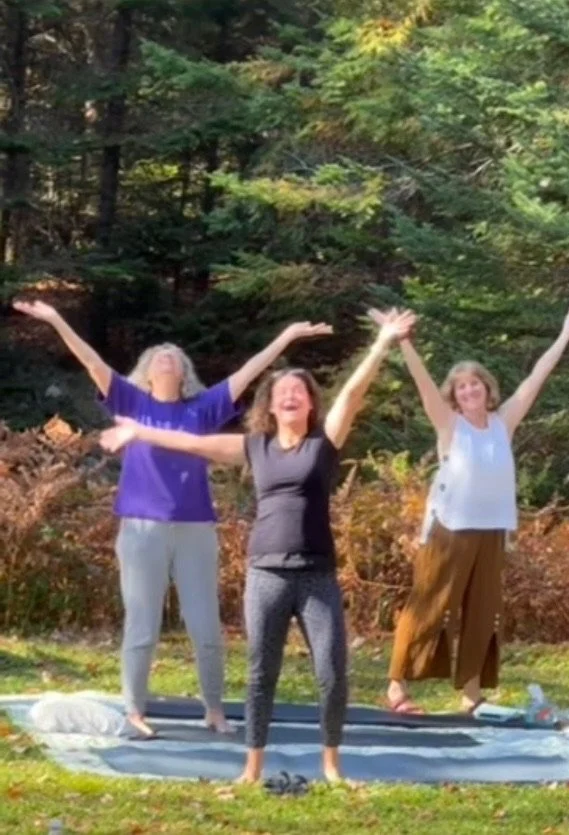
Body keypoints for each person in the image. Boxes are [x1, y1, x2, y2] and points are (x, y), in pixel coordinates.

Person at [98, 309, 417, 783]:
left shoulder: (323, 444)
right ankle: (252, 767)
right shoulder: (254, 447)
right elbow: (190, 443)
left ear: (310, 404)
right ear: (269, 405)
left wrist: (382, 342)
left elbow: (352, 395)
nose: (290, 396)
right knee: (260, 673)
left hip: (316, 573)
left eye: (299, 391)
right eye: (282, 391)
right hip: (265, 570)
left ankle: (331, 764)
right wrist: (138, 431)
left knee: (332, 671)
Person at [14, 299, 332, 739]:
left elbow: (250, 372)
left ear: (183, 372)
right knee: (141, 624)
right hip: (141, 527)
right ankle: (134, 710)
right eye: (158, 355)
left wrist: (287, 336)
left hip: (195, 527)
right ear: (146, 371)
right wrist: (53, 319)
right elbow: (90, 359)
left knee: (205, 626)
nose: (167, 356)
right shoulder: (129, 400)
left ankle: (215, 709)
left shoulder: (201, 409)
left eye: (175, 357)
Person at [374, 304, 569, 715]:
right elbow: (422, 382)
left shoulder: (504, 421)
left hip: (492, 530)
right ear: (454, 396)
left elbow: (536, 379)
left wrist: (564, 335)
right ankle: (395, 686)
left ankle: (472, 694)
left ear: (487, 389)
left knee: (481, 613)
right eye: (461, 388)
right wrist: (402, 340)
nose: (469, 391)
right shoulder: (448, 423)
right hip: (450, 530)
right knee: (429, 604)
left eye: (475, 385)